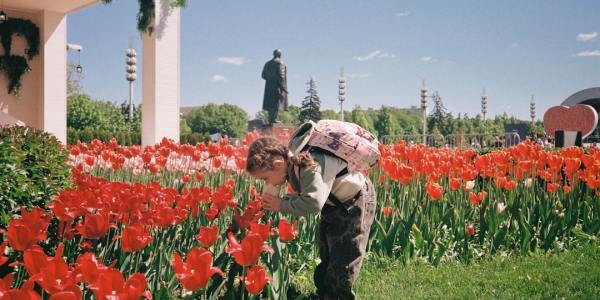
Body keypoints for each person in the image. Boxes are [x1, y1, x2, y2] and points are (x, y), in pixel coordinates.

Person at [246, 132, 376, 300]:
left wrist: (281, 205)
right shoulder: (293, 168)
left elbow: (314, 203)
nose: (266, 184)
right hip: (335, 203)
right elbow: (310, 195)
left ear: (278, 164)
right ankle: (325, 294)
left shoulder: (307, 165)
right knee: (327, 249)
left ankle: (339, 296)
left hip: (355, 202)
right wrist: (285, 200)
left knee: (344, 254)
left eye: (265, 178)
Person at [261, 49, 288, 124]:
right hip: (277, 87)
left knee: (270, 104)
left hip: (269, 87)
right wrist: (283, 88)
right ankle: (274, 119)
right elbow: (281, 76)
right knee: (276, 103)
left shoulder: (267, 64)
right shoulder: (280, 63)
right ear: (280, 55)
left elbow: (263, 75)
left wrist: (270, 79)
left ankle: (271, 119)